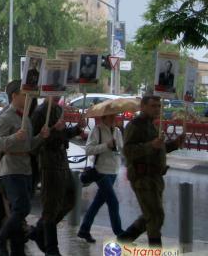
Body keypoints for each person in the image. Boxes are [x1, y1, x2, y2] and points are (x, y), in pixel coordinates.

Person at [117, 95, 184, 248]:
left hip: (155, 177)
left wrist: (174, 144)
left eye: (159, 106)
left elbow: (157, 149)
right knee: (155, 216)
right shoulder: (135, 125)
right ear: (143, 107)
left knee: (152, 215)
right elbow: (128, 151)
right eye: (153, 106)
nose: (157, 109)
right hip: (142, 177)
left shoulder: (152, 125)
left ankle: (124, 239)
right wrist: (150, 145)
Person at [0, 81, 49, 256]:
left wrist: (41, 136)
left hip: (25, 168)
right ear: (14, 96)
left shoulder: (25, 118)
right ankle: (0, 238)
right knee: (22, 208)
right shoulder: (6, 117)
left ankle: (17, 250)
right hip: (10, 168)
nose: (28, 99)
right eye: (25, 95)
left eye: (30, 96)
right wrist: (14, 137)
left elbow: (29, 145)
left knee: (20, 212)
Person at [29, 96, 86, 255]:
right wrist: (53, 129)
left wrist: (77, 129)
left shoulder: (58, 109)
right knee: (51, 205)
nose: (58, 95)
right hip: (48, 162)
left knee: (70, 197)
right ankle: (51, 248)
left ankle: (39, 231)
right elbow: (34, 142)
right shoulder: (40, 112)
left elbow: (63, 135)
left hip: (61, 160)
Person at [77, 112, 124, 243]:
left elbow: (121, 149)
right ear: (104, 117)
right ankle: (120, 233)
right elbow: (88, 150)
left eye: (115, 116)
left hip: (113, 170)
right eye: (111, 116)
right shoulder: (97, 130)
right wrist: (106, 145)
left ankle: (84, 230)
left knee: (97, 202)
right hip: (101, 171)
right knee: (113, 202)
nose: (114, 118)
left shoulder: (118, 131)